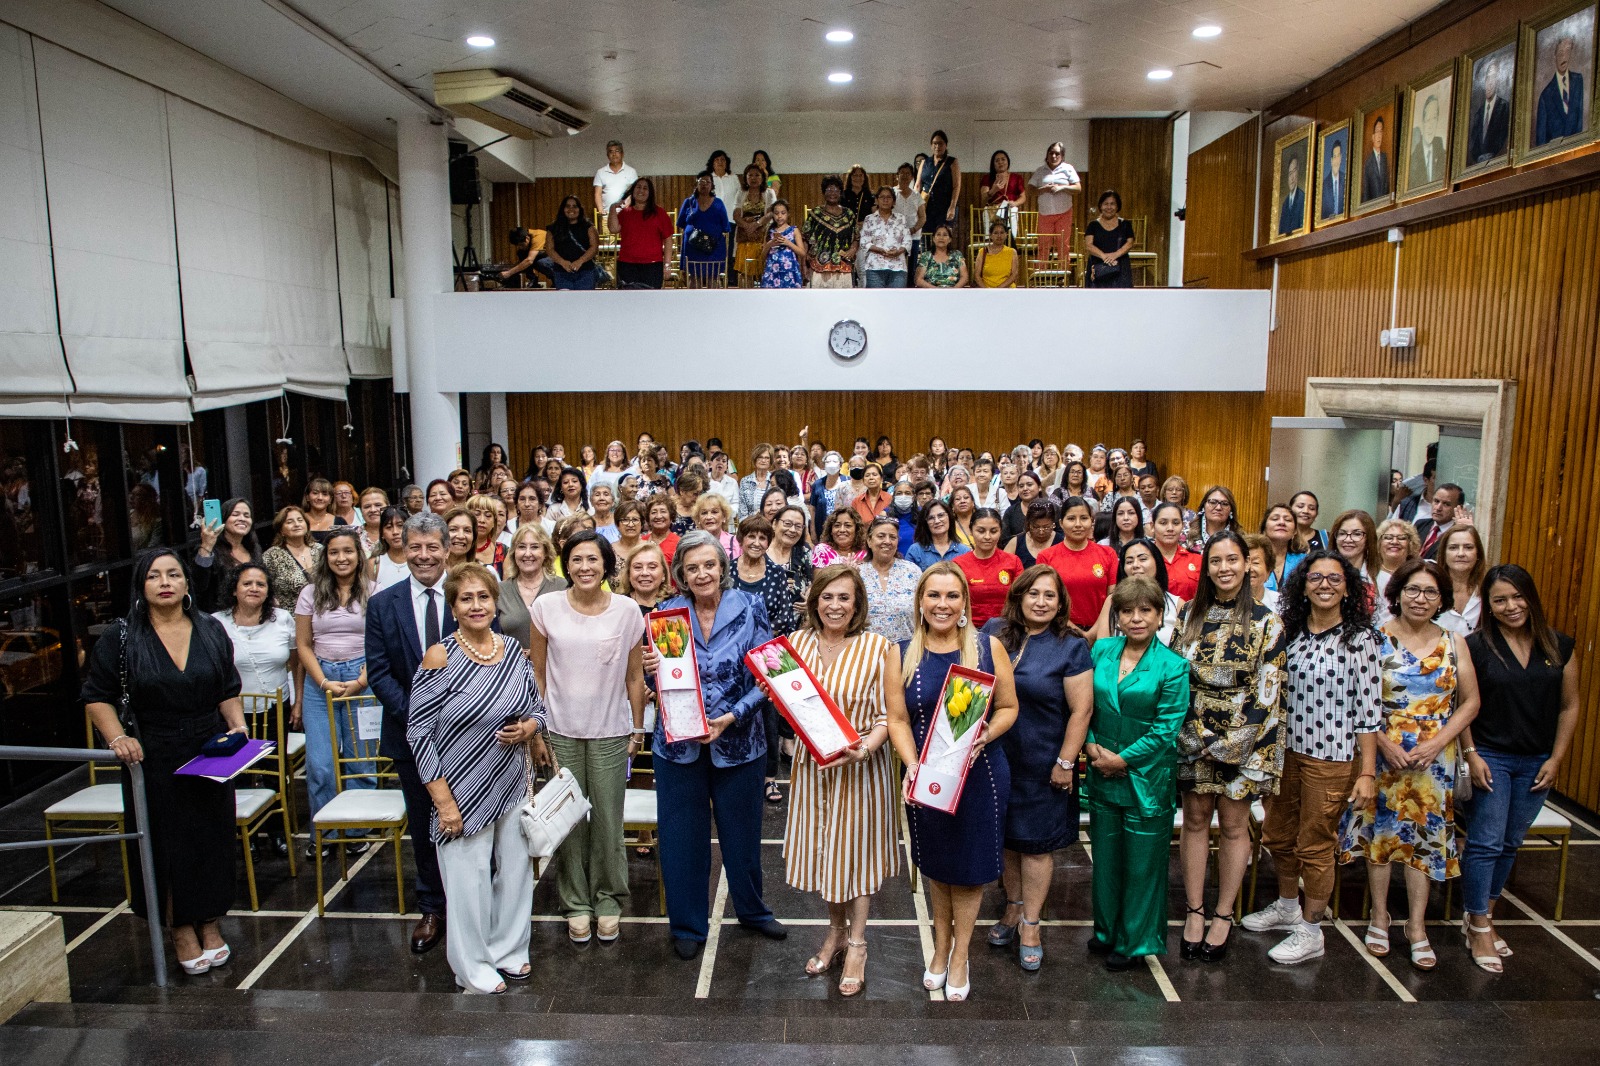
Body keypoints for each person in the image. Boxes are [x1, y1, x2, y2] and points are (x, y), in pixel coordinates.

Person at [83, 548, 247, 975]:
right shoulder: (120, 637)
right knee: (167, 845)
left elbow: (228, 685)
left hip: (209, 749)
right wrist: (117, 737)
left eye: (174, 574)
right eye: (154, 576)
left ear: (187, 583)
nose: (165, 582)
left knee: (211, 840)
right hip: (151, 752)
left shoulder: (211, 628)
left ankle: (210, 924)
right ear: (142, 586)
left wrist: (238, 725)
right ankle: (180, 930)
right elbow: (96, 696)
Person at [644, 532, 785, 959]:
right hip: (678, 746)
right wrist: (652, 671)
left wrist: (734, 716)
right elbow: (661, 685)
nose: (702, 573)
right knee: (681, 836)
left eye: (709, 565)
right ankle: (688, 924)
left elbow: (771, 674)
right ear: (681, 574)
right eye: (692, 568)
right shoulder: (665, 613)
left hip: (740, 742)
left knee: (742, 836)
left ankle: (753, 911)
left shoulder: (750, 608)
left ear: (723, 567)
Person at [410, 562, 548, 994]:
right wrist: (443, 801)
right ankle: (471, 967)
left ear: (495, 603)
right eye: (466, 598)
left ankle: (509, 950)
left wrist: (529, 728)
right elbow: (418, 731)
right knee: (467, 883)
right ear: (453, 608)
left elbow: (538, 708)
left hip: (511, 780)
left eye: (483, 597)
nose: (476, 605)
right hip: (459, 787)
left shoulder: (512, 650)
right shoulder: (440, 655)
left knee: (516, 873)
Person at [1338, 558, 1480, 971]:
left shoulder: (1455, 641)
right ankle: (1379, 916)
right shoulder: (1374, 639)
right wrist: (1382, 743)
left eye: (1430, 592)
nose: (1420, 598)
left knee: (1425, 839)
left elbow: (1470, 701)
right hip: (1382, 753)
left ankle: (1417, 926)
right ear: (1397, 593)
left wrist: (1438, 742)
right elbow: (1357, 698)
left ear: (1441, 599)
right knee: (1382, 836)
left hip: (1433, 758)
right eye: (1413, 590)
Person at [1243, 551, 1382, 966]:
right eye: (1316, 577)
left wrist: (1368, 771)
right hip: (1285, 753)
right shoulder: (1292, 632)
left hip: (1333, 758)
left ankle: (1311, 929)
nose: (1325, 585)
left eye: (1334, 579)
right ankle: (1288, 905)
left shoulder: (1362, 640)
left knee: (1315, 845)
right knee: (1279, 836)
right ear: (1302, 585)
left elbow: (1370, 712)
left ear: (1348, 587)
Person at [889, 563, 1018, 1002]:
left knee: (969, 871)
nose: (942, 605)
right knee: (939, 869)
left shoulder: (987, 647)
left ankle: (961, 954)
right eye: (934, 596)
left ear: (964, 602)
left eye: (951, 596)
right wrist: (912, 764)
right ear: (920, 602)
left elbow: (1008, 708)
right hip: (927, 778)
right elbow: (898, 718)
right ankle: (940, 949)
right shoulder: (900, 652)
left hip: (980, 776)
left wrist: (984, 734)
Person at [786, 565, 905, 996]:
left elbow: (889, 715)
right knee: (826, 855)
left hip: (861, 767)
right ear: (815, 600)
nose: (835, 606)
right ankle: (834, 932)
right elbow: (792, 710)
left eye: (844, 598)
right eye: (827, 597)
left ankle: (857, 943)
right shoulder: (795, 646)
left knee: (854, 857)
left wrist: (866, 749)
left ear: (858, 604)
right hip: (813, 769)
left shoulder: (878, 648)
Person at [526, 532, 646, 944]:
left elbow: (635, 675)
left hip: (611, 731)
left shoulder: (629, 611)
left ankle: (608, 897)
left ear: (607, 564)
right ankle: (576, 901)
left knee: (609, 821)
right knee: (569, 820)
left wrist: (637, 726)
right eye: (576, 560)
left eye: (593, 560)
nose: (585, 568)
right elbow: (537, 674)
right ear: (565, 565)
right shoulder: (546, 607)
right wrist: (536, 729)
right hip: (559, 731)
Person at [1173, 531, 1287, 963]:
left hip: (1247, 737)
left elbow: (1269, 688)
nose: (1224, 568)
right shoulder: (1189, 614)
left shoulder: (1267, 621)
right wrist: (1195, 735)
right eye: (1215, 561)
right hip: (1194, 730)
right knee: (1197, 818)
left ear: (1248, 565)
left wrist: (1231, 742)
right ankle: (1196, 910)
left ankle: (1224, 914)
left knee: (1235, 825)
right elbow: (1174, 673)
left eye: (1233, 560)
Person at [1460, 564, 1580, 972]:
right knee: (1486, 841)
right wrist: (1470, 753)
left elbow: (1570, 705)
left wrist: (1557, 758)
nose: (1511, 606)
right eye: (1500, 600)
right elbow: (1464, 708)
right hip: (1491, 754)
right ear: (1489, 607)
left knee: (1510, 843)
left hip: (1537, 759)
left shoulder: (1558, 646)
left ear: (1530, 597)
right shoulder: (1474, 646)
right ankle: (1478, 924)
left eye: (1517, 597)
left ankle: (1485, 914)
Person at [982, 565, 1091, 970]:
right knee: (1008, 840)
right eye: (1033, 594)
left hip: (1047, 762)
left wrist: (1067, 761)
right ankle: (1012, 908)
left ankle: (1031, 924)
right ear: (1019, 597)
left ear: (1060, 602)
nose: (1041, 602)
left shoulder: (1071, 645)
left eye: (1050, 595)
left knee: (1037, 847)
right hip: (996, 756)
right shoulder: (994, 632)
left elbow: (1082, 711)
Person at [1084, 576, 1191, 969]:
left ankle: (1135, 942)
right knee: (1106, 860)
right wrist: (1092, 745)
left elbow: (1167, 729)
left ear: (1160, 615)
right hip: (1100, 770)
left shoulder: (1174, 666)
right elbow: (1084, 706)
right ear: (1117, 616)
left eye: (1146, 610)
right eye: (1127, 611)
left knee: (1143, 866)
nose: (1136, 618)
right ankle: (1106, 931)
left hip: (1145, 780)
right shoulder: (1102, 650)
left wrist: (1122, 759)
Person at [365, 513, 457, 955]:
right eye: (415, 547)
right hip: (408, 736)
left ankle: (472, 904)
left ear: (447, 549)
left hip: (468, 735)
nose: (424, 555)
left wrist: (456, 714)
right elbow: (380, 673)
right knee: (424, 825)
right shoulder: (384, 604)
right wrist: (420, 717)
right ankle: (432, 907)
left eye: (431, 547)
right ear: (403, 550)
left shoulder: (468, 594)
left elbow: (487, 656)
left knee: (475, 822)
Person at [294, 528, 371, 858]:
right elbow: (303, 644)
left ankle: (356, 831)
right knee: (321, 765)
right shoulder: (310, 593)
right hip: (319, 681)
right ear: (325, 558)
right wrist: (323, 681)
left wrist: (361, 681)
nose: (342, 558)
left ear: (358, 555)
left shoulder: (374, 591)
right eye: (334, 552)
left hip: (362, 679)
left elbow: (379, 644)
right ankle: (322, 834)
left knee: (361, 761)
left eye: (348, 552)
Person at [1038, 496, 1117, 630]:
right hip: (1060, 630)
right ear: (1061, 523)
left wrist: (1094, 632)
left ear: (1092, 521)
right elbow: (1046, 599)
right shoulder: (1046, 557)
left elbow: (1112, 598)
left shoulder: (1108, 554)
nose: (1078, 524)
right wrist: (1076, 631)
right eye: (1071, 518)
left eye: (1084, 518)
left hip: (1101, 631)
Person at [1088, 539, 1182, 646]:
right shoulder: (1112, 601)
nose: (1135, 565)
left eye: (1142, 559)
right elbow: (1103, 648)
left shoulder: (1177, 605)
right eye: (1129, 561)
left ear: (1157, 562)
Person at [495, 524, 566, 650]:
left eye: (534, 547)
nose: (527, 553)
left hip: (553, 666)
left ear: (545, 552)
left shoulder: (563, 587)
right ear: (513, 553)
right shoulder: (500, 591)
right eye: (521, 547)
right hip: (512, 665)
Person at [954, 509, 1023, 629]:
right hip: (969, 630)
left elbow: (1021, 599)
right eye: (981, 531)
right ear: (971, 531)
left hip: (1006, 629)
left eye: (993, 531)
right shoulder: (959, 564)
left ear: (1001, 531)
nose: (987, 536)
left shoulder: (1013, 561)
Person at [192, 497, 261, 613]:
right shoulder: (209, 550)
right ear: (223, 519)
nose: (242, 519)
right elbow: (198, 585)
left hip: (252, 615)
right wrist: (207, 546)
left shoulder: (254, 548)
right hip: (220, 619)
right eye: (235, 514)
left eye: (246, 515)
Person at [860, 514, 921, 644]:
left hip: (907, 651)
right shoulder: (858, 574)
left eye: (892, 537)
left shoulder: (912, 571)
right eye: (881, 536)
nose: (887, 541)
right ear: (869, 541)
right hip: (868, 652)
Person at [609, 177, 674, 289]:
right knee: (628, 302)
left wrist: (667, 264)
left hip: (652, 266)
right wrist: (612, 208)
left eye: (645, 188)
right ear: (633, 191)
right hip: (627, 265)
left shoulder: (660, 213)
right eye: (638, 187)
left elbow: (668, 240)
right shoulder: (625, 213)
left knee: (651, 302)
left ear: (650, 193)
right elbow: (613, 229)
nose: (641, 191)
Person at [1028, 141, 1080, 264]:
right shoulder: (1040, 171)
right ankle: (1041, 277)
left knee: (1063, 245)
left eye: (1057, 153)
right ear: (1047, 155)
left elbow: (1078, 188)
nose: (1054, 156)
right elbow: (1030, 190)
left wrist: (1062, 187)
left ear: (1062, 156)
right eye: (1051, 153)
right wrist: (1044, 189)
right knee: (1043, 246)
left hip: (1064, 213)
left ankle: (1063, 277)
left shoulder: (1068, 169)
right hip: (1045, 214)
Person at [262, 506, 321, 611]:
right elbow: (264, 586)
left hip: (323, 613)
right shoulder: (272, 555)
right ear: (281, 530)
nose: (297, 524)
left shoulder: (320, 550)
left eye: (300, 520)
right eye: (290, 522)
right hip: (290, 618)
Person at [677, 170, 730, 287]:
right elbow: (681, 223)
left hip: (714, 247)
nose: (704, 184)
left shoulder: (718, 203)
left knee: (713, 277)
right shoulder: (688, 202)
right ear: (696, 184)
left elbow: (726, 226)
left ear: (712, 185)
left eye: (708, 182)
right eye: (701, 181)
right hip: (692, 247)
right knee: (694, 277)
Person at [802, 176, 857, 289]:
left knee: (844, 303)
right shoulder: (815, 214)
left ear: (841, 193)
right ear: (823, 192)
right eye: (829, 190)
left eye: (836, 190)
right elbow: (805, 239)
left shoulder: (849, 214)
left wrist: (852, 249)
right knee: (819, 303)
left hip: (844, 267)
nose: (833, 193)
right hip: (818, 268)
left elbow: (856, 237)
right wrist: (803, 265)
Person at [1535, 35, 1585, 147]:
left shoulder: (1578, 81)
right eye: (1561, 52)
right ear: (1555, 55)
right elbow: (1541, 142)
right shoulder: (1545, 96)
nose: (1564, 56)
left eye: (1568, 51)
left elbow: (1579, 122)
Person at [1436, 525, 1486, 635]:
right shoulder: (1431, 590)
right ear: (1444, 553)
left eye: (1468, 547)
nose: (1461, 554)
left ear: (1478, 554)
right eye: (1453, 547)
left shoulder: (1487, 591)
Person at [860, 186, 912, 287]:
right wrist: (880, 250)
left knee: (896, 301)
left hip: (898, 267)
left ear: (894, 202)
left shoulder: (901, 218)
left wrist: (898, 251)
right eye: (882, 197)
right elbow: (864, 242)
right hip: (874, 267)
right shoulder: (869, 219)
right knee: (876, 301)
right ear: (876, 200)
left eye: (889, 197)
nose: (885, 200)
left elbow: (908, 240)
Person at [1150, 502, 1201, 601]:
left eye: (1176, 523)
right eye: (1163, 523)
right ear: (1152, 526)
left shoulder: (1197, 560)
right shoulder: (1143, 559)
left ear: (1183, 525)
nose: (1170, 528)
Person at [916, 130, 961, 240]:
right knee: (926, 237)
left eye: (940, 143)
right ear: (931, 145)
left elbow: (956, 186)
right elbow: (917, 186)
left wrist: (952, 206)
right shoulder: (925, 162)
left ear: (945, 145)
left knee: (943, 236)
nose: (937, 146)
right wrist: (915, 207)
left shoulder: (952, 162)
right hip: (926, 205)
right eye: (934, 143)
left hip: (945, 206)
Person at [733, 164, 773, 285]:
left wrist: (756, 224)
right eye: (750, 175)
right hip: (745, 236)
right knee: (745, 273)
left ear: (762, 178)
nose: (753, 178)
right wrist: (747, 226)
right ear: (746, 177)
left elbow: (770, 214)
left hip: (762, 236)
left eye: (757, 175)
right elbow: (736, 215)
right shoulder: (741, 192)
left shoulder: (769, 193)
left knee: (763, 270)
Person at [1085, 191, 1135, 288]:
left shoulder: (1125, 224)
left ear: (1117, 206)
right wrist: (1105, 257)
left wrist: (1115, 255)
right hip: (1098, 265)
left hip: (1120, 266)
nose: (1109, 207)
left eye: (1112, 204)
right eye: (1106, 204)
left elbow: (1130, 243)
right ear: (1100, 206)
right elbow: (1088, 245)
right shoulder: (1093, 225)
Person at [1330, 509, 1381, 602]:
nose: (1348, 539)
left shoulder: (1381, 578)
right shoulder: (1323, 574)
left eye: (1357, 534)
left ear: (1368, 539)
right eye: (1342, 533)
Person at [907, 499, 971, 570]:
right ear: (926, 523)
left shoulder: (964, 551)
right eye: (931, 518)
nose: (937, 521)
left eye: (941, 515)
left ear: (949, 517)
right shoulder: (916, 550)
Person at [1375, 517, 1421, 615]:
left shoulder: (1418, 573)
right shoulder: (1370, 575)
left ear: (1410, 544)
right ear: (1379, 543)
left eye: (1401, 538)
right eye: (1388, 537)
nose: (1395, 542)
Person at [758, 201, 806, 288]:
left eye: (783, 213)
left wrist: (788, 243)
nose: (779, 216)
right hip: (772, 271)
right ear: (773, 215)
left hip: (789, 271)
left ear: (788, 214)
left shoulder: (794, 230)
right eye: (776, 213)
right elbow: (762, 256)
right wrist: (770, 244)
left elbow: (802, 253)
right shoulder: (770, 231)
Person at [1259, 503, 1307, 591]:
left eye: (1288, 520)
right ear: (1264, 528)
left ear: (1295, 531)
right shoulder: (1253, 558)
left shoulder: (1304, 561)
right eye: (1275, 519)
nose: (1281, 523)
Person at [979, 149, 1026, 236]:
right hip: (992, 209)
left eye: (1003, 159)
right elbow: (983, 199)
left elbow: (1023, 197)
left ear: (1008, 161)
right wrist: (993, 190)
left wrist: (1014, 203)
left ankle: (1011, 240)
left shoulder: (1016, 177)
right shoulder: (987, 178)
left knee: (1013, 210)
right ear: (993, 164)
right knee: (986, 211)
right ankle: (988, 240)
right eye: (997, 160)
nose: (1000, 162)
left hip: (1009, 207)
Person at [369, 505, 411, 592]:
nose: (395, 532)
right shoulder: (374, 564)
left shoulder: (419, 559)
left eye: (400, 525)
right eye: (389, 527)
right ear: (382, 534)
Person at [1409, 94, 1448, 187]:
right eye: (1427, 119)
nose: (1430, 125)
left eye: (1434, 118)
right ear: (1423, 121)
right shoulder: (1413, 160)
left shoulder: (1442, 153)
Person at [892, 162, 927, 264]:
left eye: (908, 174)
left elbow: (922, 217)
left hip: (913, 237)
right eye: (902, 173)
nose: (905, 176)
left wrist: (913, 229)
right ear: (897, 176)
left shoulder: (917, 196)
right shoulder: (891, 193)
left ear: (912, 177)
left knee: (912, 267)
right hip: (893, 237)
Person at [593, 139, 638, 217]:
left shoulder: (631, 172)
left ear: (622, 154)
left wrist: (628, 206)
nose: (614, 154)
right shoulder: (600, 172)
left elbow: (634, 192)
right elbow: (598, 194)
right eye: (611, 151)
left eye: (617, 151)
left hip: (627, 214)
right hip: (607, 214)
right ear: (607, 155)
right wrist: (601, 210)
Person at [915, 223, 968, 288]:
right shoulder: (926, 256)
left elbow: (964, 277)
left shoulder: (957, 255)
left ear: (950, 240)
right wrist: (936, 290)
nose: (941, 238)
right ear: (934, 239)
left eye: (945, 235)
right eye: (938, 234)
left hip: (953, 293)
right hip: (931, 293)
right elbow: (918, 280)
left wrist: (954, 290)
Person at [974, 220, 1019, 288]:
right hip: (987, 292)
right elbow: (977, 276)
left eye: (1002, 233)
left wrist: (999, 289)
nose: (999, 236)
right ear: (991, 236)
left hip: (1007, 290)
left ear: (1006, 235)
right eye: (996, 233)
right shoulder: (982, 252)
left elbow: (1014, 275)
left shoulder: (1012, 252)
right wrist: (987, 291)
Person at [706, 148, 742, 219]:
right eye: (717, 160)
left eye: (722, 159)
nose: (720, 162)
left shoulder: (734, 178)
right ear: (712, 163)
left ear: (726, 163)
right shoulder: (707, 179)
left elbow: (740, 198)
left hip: (731, 219)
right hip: (712, 219)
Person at [1362, 115, 1390, 202]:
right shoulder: (1368, 163)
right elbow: (1366, 192)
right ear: (1372, 136)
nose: (1379, 136)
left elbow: (1388, 185)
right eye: (1377, 132)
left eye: (1381, 132)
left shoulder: (1385, 158)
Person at [1278, 156, 1306, 234]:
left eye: (1294, 172)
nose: (1292, 178)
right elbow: (1281, 232)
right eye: (1290, 173)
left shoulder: (1303, 198)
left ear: (1298, 173)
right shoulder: (1285, 204)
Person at [1319, 139, 1345, 218]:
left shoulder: (1346, 180)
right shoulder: (1324, 185)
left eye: (1338, 156)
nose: (1336, 160)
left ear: (1341, 159)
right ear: (1331, 160)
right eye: (1334, 156)